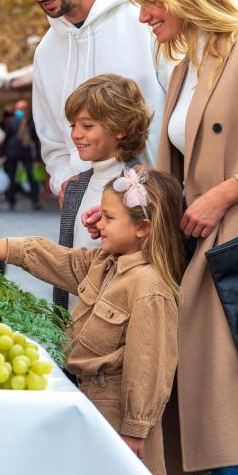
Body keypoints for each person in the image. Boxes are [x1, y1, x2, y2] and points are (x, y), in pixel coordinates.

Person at [123, 0, 238, 475]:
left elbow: (214, 185)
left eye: (148, 1)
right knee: (211, 443)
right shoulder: (184, 68)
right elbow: (182, 174)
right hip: (200, 263)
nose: (142, 17)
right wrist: (132, 207)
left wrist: (228, 192)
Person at [0, 169, 184, 475]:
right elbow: (44, 255)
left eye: (109, 218)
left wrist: (135, 430)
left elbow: (149, 365)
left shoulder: (149, 287)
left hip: (116, 415)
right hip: (88, 402)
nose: (99, 225)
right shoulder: (103, 264)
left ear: (143, 228)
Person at [4, 0, 170, 206]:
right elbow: (53, 144)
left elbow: (183, 110)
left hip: (161, 201)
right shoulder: (45, 53)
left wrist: (167, 177)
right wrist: (66, 183)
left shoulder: (144, 19)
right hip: (89, 216)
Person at [57, 74, 151, 310]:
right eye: (73, 125)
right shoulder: (74, 187)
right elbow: (66, 257)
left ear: (121, 129)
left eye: (87, 126)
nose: (76, 134)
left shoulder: (139, 185)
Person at [2, 100, 41, 210]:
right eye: (18, 108)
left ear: (27, 109)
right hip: (12, 153)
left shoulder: (31, 122)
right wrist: (2, 154)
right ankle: (11, 201)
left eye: (22, 108)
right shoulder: (10, 122)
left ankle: (35, 201)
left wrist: (37, 158)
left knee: (31, 177)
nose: (20, 111)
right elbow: (6, 138)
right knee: (11, 177)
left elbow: (35, 141)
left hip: (26, 153)